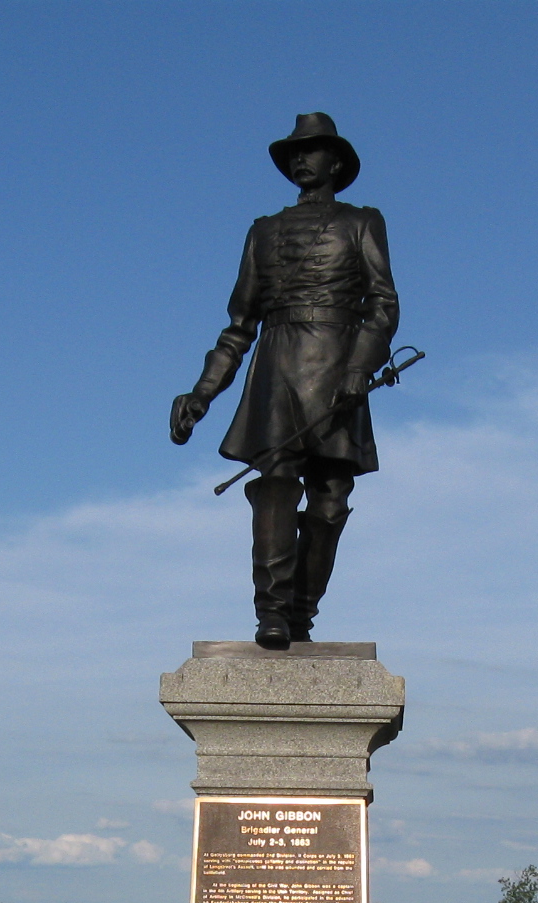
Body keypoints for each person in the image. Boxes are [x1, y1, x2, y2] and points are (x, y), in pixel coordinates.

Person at [171, 112, 400, 649]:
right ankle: (270, 612)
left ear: (336, 162)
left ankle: (301, 611)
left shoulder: (363, 221)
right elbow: (238, 326)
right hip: (276, 370)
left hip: (340, 366)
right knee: (274, 487)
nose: (301, 159)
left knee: (330, 502)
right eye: (294, 152)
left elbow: (383, 306)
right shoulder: (263, 231)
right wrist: (202, 394)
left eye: (313, 150)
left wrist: (357, 368)